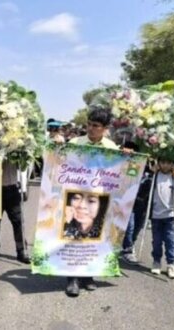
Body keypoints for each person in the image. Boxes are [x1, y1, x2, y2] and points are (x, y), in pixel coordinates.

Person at [62, 106, 118, 297]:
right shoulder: (75, 143)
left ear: (104, 128)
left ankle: (88, 276)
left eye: (96, 125)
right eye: (89, 124)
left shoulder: (112, 148)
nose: (91, 128)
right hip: (76, 197)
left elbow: (118, 174)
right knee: (74, 236)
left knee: (93, 238)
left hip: (99, 200)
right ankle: (72, 279)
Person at [137, 154, 174, 279]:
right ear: (158, 163)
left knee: (171, 240)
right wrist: (151, 173)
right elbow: (143, 189)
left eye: (168, 163)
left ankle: (171, 264)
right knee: (157, 240)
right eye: (162, 162)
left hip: (170, 214)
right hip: (156, 215)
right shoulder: (154, 176)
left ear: (173, 164)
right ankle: (156, 261)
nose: (165, 165)